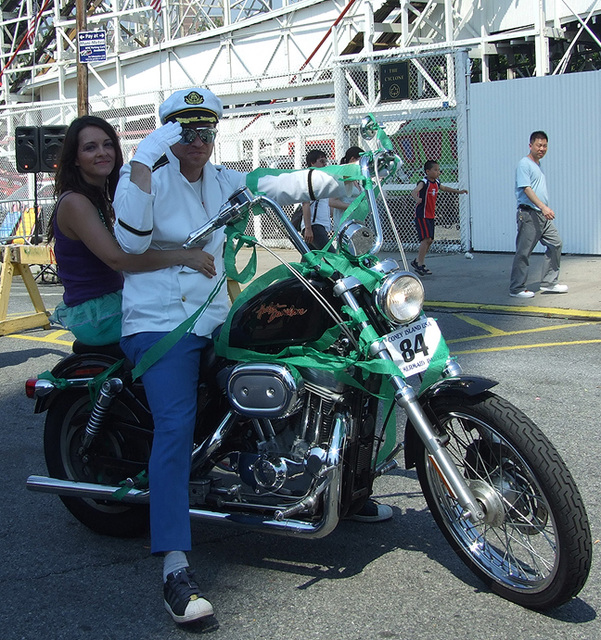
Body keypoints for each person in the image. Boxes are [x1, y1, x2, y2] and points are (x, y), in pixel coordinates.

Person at [112, 87, 383, 626]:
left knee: (325, 358)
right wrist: (143, 156)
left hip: (215, 317)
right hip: (160, 321)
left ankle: (347, 489)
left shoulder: (221, 180)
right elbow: (131, 238)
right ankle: (174, 564)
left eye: (207, 130)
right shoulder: (145, 178)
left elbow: (268, 184)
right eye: (187, 129)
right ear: (167, 131)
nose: (199, 140)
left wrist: (326, 182)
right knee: (174, 425)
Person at [48, 115, 214, 345]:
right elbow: (119, 260)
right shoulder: (75, 202)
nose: (102, 152)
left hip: (112, 299)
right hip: (99, 314)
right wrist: (186, 257)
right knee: (179, 323)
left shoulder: (97, 196)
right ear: (75, 159)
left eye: (108, 145)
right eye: (90, 147)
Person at [509, 131, 567, 298]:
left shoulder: (537, 165)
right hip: (529, 214)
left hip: (542, 215)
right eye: (538, 145)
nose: (542, 148)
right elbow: (526, 189)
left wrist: (543, 209)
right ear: (530, 146)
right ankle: (517, 288)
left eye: (544, 146)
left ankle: (549, 283)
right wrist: (543, 207)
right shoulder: (524, 164)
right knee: (524, 252)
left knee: (556, 243)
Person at [410, 160, 468, 276]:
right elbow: (414, 192)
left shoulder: (436, 183)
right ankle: (420, 264)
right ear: (428, 171)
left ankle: (417, 261)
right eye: (435, 170)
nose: (438, 172)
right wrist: (417, 199)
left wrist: (459, 191)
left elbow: (445, 188)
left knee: (430, 240)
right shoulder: (424, 182)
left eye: (438, 170)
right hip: (422, 215)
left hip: (431, 215)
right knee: (425, 239)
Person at [301, 149, 350, 251]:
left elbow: (327, 205)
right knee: (331, 257)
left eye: (325, 162)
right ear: (312, 163)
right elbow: (305, 204)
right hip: (314, 226)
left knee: (310, 260)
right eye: (322, 161)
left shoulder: (322, 180)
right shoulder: (309, 179)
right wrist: (308, 228)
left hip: (320, 226)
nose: (325, 165)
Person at [331, 146, 364, 233]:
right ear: (353, 159)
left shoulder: (356, 178)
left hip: (357, 224)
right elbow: (332, 202)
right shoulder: (339, 177)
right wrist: (352, 207)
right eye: (360, 161)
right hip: (344, 225)